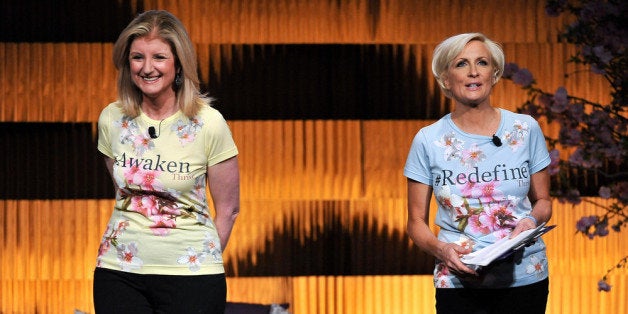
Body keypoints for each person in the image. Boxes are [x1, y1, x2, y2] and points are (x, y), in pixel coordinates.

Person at [93, 10, 240, 313]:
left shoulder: (208, 123)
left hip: (192, 277)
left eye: (158, 57)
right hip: (119, 272)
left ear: (178, 64)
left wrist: (200, 257)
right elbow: (124, 195)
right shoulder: (112, 119)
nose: (147, 68)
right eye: (137, 58)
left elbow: (229, 209)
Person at [404, 33, 552, 314]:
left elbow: (543, 201)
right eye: (461, 64)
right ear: (446, 79)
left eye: (482, 63)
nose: (473, 72)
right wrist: (441, 250)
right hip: (459, 282)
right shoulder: (428, 140)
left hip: (525, 277)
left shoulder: (526, 129)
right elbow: (415, 221)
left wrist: (531, 220)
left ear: (494, 74)